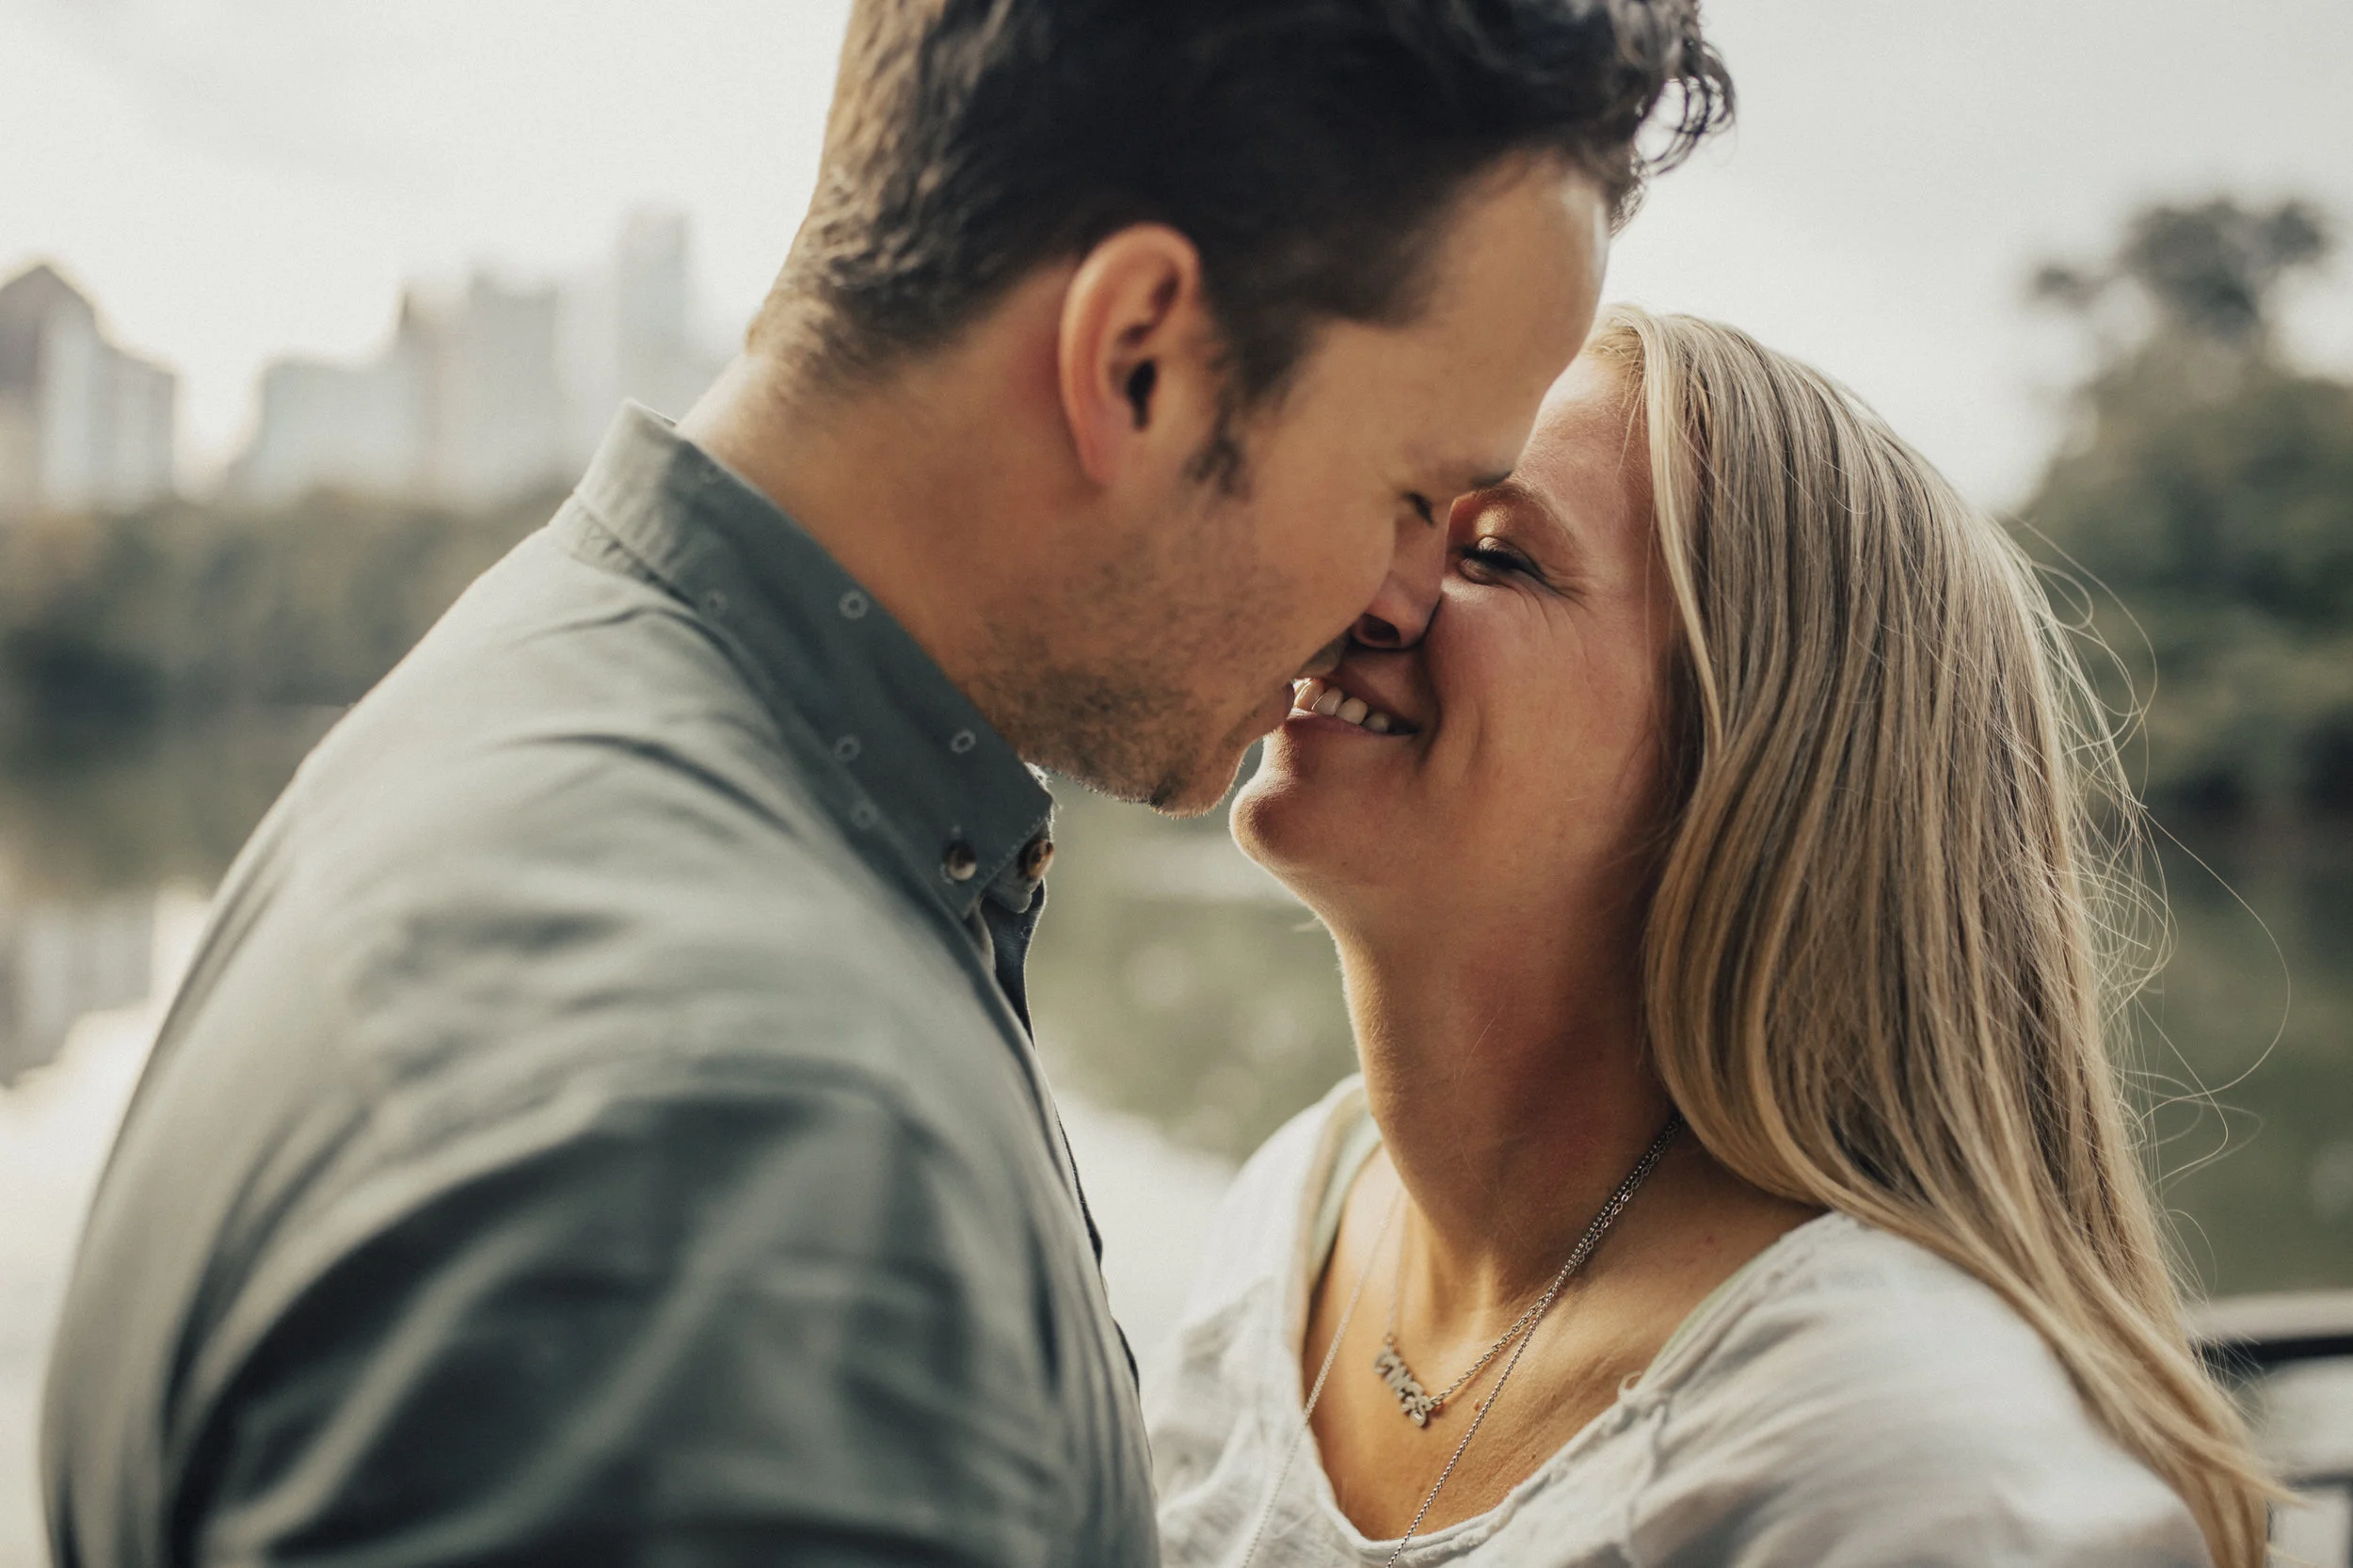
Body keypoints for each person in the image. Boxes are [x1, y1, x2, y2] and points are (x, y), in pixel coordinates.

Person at [40, 7, 1732, 1568]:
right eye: (1415, 490)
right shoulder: (744, 1163)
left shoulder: (550, 704)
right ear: (1138, 356)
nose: (1405, 597)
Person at [1151, 306, 2277, 1568]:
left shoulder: (1916, 1466)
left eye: (1497, 555)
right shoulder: (1291, 1207)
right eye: (1403, 506)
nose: (1361, 580)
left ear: (1742, 766)